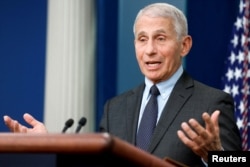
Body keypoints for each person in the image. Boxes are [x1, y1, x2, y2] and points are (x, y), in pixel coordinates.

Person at [3, 2, 242, 166]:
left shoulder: (212, 102)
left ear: (184, 45)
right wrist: (49, 145)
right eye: (142, 39)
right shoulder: (115, 108)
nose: (150, 50)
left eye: (160, 38)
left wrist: (216, 155)